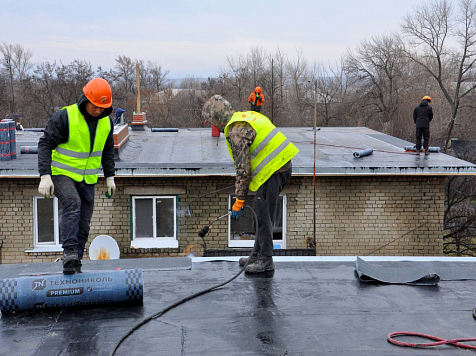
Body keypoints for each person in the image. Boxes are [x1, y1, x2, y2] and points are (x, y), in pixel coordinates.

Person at [202, 95, 299, 273]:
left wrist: (239, 200)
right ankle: (256, 255)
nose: (213, 126)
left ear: (217, 118)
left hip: (275, 170)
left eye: (212, 122)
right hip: (279, 166)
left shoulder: (236, 131)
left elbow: (243, 169)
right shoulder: (244, 116)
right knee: (259, 211)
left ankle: (266, 260)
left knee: (262, 214)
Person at [37, 78, 116, 274]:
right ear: (85, 99)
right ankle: (69, 252)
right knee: (72, 204)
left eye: (102, 107)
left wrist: (109, 177)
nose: (97, 111)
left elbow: (107, 152)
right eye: (95, 106)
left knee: (84, 223)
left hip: (88, 179)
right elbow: (45, 144)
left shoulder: (106, 123)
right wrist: (45, 175)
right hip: (62, 174)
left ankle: (75, 264)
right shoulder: (65, 117)